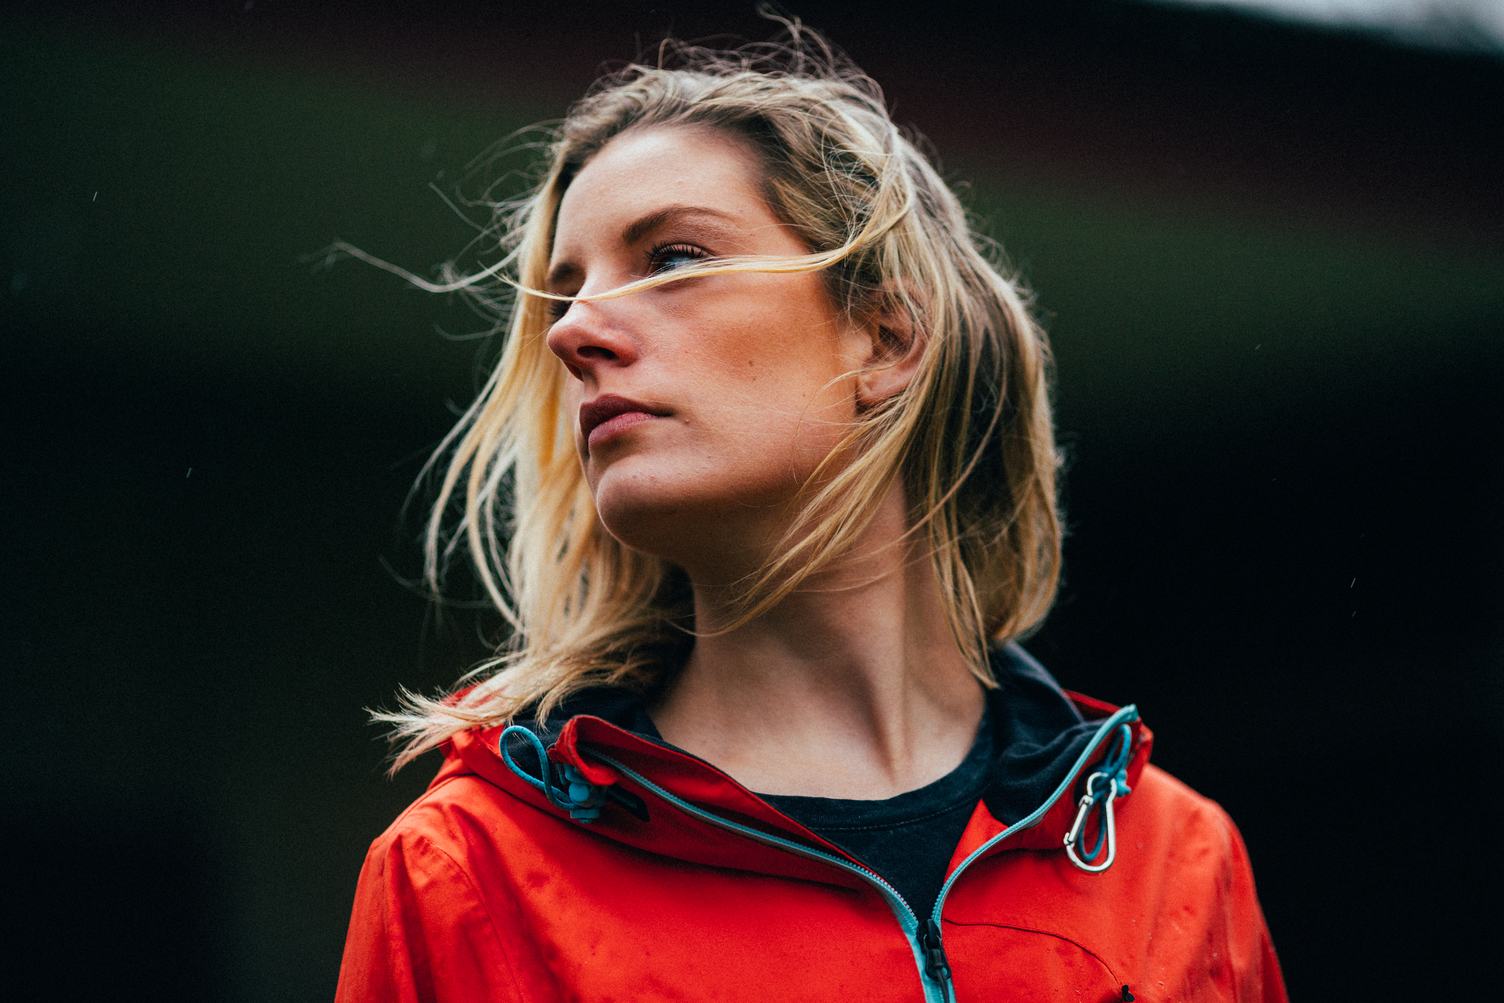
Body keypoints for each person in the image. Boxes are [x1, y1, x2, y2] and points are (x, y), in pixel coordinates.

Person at [335, 22, 1286, 1003]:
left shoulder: (1172, 859)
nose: (573, 331)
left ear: (887, 335)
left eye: (669, 257)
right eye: (564, 293)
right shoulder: (468, 873)